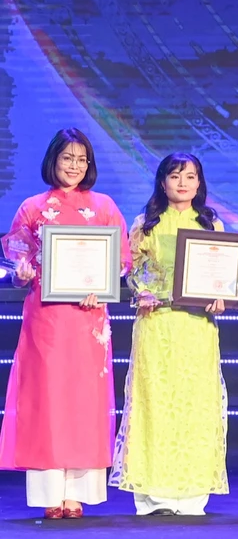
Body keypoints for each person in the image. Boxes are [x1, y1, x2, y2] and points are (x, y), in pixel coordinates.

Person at [0, 128, 131, 519]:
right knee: (48, 402)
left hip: (89, 320)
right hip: (46, 319)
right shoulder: (32, 207)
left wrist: (103, 287)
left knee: (84, 403)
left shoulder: (105, 206)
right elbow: (17, 263)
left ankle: (77, 494)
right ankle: (49, 493)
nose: (74, 166)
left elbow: (121, 259)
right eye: (67, 158)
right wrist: (21, 271)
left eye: (81, 159)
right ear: (52, 160)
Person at [110, 153, 229, 515]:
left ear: (199, 183)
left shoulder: (212, 225)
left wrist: (220, 295)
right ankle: (153, 494)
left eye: (190, 177)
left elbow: (222, 272)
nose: (183, 183)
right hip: (157, 325)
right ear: (162, 181)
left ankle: (192, 495)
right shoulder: (145, 224)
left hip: (196, 327)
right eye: (175, 176)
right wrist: (140, 291)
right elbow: (131, 271)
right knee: (155, 404)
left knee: (195, 404)